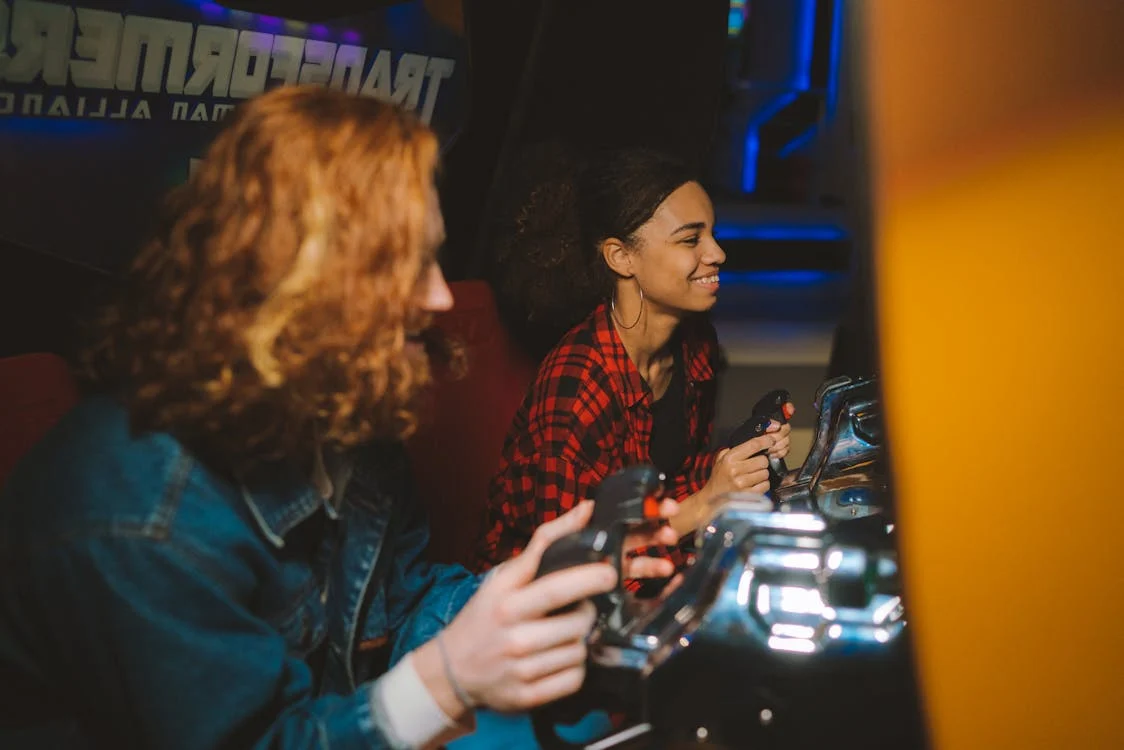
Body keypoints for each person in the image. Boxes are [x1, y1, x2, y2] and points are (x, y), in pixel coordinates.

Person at [0, 88, 679, 749]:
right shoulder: (143, 515)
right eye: (407, 266)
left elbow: (400, 601)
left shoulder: (344, 415)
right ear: (301, 278)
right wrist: (445, 680)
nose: (441, 297)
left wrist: (525, 591)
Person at [476, 147, 792, 576]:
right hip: (536, 599)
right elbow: (571, 567)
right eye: (690, 240)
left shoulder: (695, 344)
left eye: (712, 234)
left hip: (650, 576)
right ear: (620, 257)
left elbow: (670, 483)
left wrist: (739, 462)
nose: (717, 253)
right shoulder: (576, 392)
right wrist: (705, 503)